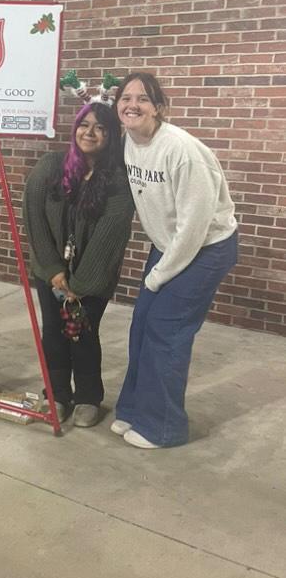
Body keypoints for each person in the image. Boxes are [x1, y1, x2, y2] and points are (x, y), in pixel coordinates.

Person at [112, 72, 238, 449]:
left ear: (159, 108)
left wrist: (158, 275)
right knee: (141, 324)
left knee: (165, 330)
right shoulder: (129, 141)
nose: (132, 105)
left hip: (205, 248)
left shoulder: (181, 150)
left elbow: (194, 227)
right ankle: (134, 409)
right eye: (126, 98)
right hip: (170, 245)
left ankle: (163, 428)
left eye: (143, 99)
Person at [23, 102, 134, 427]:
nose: (90, 133)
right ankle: (56, 394)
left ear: (110, 135)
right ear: (75, 129)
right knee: (53, 333)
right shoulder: (51, 166)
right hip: (50, 273)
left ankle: (88, 397)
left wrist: (80, 286)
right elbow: (33, 216)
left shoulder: (117, 180)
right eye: (84, 125)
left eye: (100, 127)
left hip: (93, 278)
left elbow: (111, 234)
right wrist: (53, 270)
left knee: (83, 334)